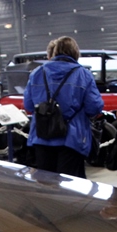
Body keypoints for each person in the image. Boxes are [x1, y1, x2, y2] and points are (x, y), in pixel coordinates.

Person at [23, 36, 103, 178]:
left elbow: (28, 105)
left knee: (45, 183)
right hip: (72, 140)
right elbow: (94, 107)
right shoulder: (83, 74)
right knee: (70, 186)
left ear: (54, 52)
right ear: (76, 53)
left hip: (42, 137)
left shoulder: (37, 73)